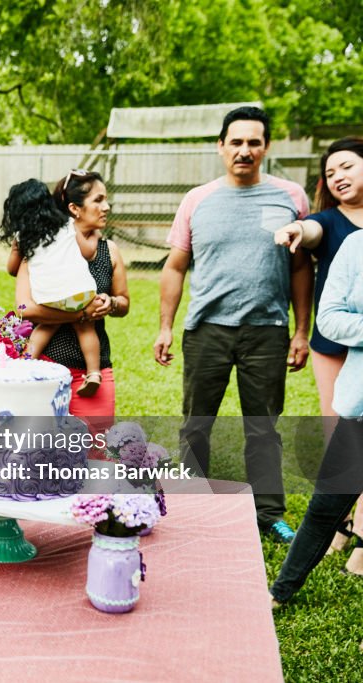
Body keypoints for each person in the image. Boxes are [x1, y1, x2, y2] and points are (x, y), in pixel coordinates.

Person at [153, 106, 312, 543]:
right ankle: (190, 503)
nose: (245, 151)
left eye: (253, 142)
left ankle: (269, 513)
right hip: (207, 329)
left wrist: (301, 331)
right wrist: (166, 327)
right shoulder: (197, 199)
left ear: (266, 147)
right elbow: (175, 266)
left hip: (267, 330)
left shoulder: (291, 198)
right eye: (236, 142)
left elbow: (301, 269)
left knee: (263, 428)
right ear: (221, 146)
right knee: (196, 424)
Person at [273, 136, 363, 562]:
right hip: (335, 345)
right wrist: (296, 229)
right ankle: (342, 527)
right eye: (330, 173)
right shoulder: (328, 220)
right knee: (344, 444)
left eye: (346, 166)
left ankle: (358, 536)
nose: (337, 177)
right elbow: (312, 231)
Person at [270, 229, 363, 604]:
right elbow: (330, 318)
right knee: (325, 508)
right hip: (360, 408)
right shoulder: (356, 246)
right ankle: (280, 593)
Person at [13, 170, 129, 426]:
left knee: (96, 450)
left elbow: (124, 303)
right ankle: (28, 363)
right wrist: (80, 314)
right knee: (42, 453)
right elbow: (24, 308)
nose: (106, 207)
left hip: (90, 371)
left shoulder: (108, 251)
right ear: (74, 208)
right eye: (98, 200)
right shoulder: (38, 249)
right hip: (46, 369)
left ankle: (91, 373)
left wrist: (111, 303)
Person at [0, 178, 102, 396]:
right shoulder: (66, 224)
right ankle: (93, 373)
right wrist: (94, 235)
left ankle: (25, 366)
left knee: (43, 328)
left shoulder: (23, 235)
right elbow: (89, 252)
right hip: (81, 291)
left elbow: (11, 268)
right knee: (86, 328)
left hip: (49, 296)